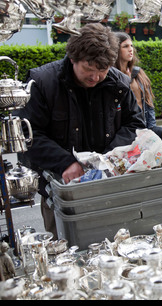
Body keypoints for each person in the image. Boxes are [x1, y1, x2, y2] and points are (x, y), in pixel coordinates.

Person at [16, 23, 146, 238]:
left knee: (116, 245)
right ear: (73, 58)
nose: (95, 78)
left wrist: (109, 157)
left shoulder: (118, 82)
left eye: (102, 71)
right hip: (62, 188)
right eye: (88, 69)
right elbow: (27, 134)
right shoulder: (42, 82)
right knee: (66, 247)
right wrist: (65, 162)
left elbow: (136, 124)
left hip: (110, 186)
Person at [114, 32, 162, 139]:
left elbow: (148, 103)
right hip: (125, 130)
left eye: (131, 46)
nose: (130, 49)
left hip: (144, 127)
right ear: (116, 50)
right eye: (125, 46)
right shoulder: (112, 77)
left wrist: (152, 128)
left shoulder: (138, 73)